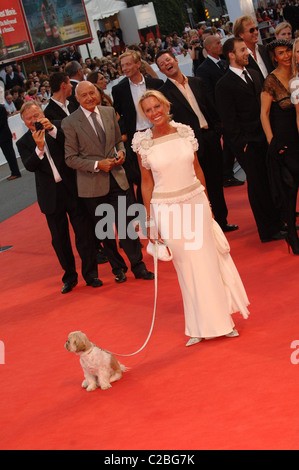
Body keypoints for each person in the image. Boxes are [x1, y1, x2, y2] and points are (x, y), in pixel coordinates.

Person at [132, 90, 249, 346]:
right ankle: (197, 326)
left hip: (196, 202)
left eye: (157, 106)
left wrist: (207, 201)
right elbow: (146, 183)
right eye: (148, 110)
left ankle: (223, 323)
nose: (154, 113)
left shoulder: (185, 131)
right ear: (145, 115)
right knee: (186, 268)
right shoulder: (143, 143)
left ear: (165, 105)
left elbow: (197, 169)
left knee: (207, 262)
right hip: (166, 208)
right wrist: (150, 219)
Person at [61, 81, 154, 282]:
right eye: (84, 95)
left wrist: (121, 151)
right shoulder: (69, 123)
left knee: (127, 225)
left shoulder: (109, 111)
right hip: (92, 183)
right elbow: (70, 158)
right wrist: (96, 165)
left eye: (92, 93)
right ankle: (118, 269)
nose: (89, 97)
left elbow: (118, 141)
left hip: (117, 177)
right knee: (105, 231)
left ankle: (138, 266)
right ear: (76, 98)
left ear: (98, 93)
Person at [17, 101, 101, 293]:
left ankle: (91, 275)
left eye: (36, 115)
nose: (33, 120)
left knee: (84, 235)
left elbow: (73, 146)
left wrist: (52, 130)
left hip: (72, 189)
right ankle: (70, 278)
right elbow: (30, 166)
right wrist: (38, 148)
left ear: (42, 113)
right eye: (29, 118)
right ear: (24, 122)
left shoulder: (59, 125)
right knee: (59, 240)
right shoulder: (22, 142)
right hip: (50, 197)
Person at [156, 49, 238, 233]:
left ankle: (221, 221)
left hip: (210, 137)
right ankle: (205, 224)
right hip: (188, 145)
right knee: (197, 186)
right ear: (160, 70)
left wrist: (216, 129)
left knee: (216, 181)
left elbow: (211, 107)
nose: (166, 65)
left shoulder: (196, 82)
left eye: (168, 60)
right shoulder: (163, 93)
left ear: (176, 60)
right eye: (162, 64)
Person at [215, 37, 285, 244]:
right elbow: (228, 120)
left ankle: (279, 222)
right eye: (242, 49)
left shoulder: (254, 74)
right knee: (258, 186)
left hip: (265, 139)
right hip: (248, 145)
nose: (247, 52)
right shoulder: (223, 84)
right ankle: (267, 230)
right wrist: (242, 145)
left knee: (272, 182)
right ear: (231, 55)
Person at [260, 39, 299, 255]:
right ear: (274, 57)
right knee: (290, 192)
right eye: (280, 53)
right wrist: (272, 143)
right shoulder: (271, 81)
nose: (285, 56)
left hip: (298, 137)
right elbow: (264, 114)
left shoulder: (297, 77)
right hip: (283, 143)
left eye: (288, 52)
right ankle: (292, 236)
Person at [112, 50, 164, 204]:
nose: (125, 68)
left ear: (138, 64)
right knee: (144, 178)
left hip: (158, 134)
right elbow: (118, 115)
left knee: (162, 172)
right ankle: (147, 214)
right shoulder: (119, 90)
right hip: (137, 140)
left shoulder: (156, 84)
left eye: (128, 64)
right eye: (122, 66)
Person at [196, 35, 244, 188]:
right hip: (222, 114)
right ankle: (233, 172)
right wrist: (219, 117)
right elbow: (209, 96)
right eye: (217, 43)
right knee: (233, 144)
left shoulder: (224, 63)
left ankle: (226, 174)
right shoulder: (203, 69)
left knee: (230, 145)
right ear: (208, 48)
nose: (220, 45)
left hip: (235, 110)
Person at [233, 15, 274, 82]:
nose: (256, 32)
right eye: (251, 30)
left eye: (256, 29)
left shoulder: (265, 49)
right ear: (241, 34)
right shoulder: (237, 58)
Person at [0, 104, 22, 180]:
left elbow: (2, 122)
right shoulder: (2, 108)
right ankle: (14, 171)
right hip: (4, 135)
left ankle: (15, 172)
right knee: (8, 155)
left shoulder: (1, 108)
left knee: (10, 155)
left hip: (4, 135)